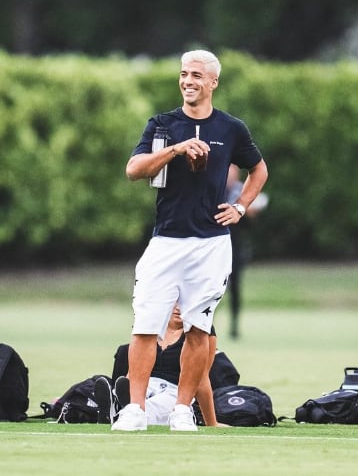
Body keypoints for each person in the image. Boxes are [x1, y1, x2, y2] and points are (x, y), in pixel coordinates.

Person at [114, 49, 268, 432]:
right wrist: (175, 150)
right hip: (166, 239)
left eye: (197, 75)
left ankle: (183, 410)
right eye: (184, 74)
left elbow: (259, 169)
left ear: (213, 82)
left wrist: (241, 206)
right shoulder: (162, 124)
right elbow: (134, 170)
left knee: (199, 328)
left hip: (212, 242)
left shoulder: (231, 128)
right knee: (146, 324)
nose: (188, 81)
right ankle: (135, 410)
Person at [105, 306, 228, 427]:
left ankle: (120, 411)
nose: (178, 308)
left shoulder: (201, 329)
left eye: (183, 301)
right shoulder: (150, 324)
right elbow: (134, 371)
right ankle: (121, 405)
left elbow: (202, 379)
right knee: (135, 398)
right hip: (148, 386)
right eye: (175, 301)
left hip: (174, 391)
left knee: (158, 405)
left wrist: (211, 423)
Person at [223, 165, 266, 339]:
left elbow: (251, 224)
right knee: (210, 289)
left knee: (235, 290)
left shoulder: (242, 191)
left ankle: (234, 326)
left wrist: (247, 213)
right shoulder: (214, 189)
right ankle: (205, 325)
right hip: (212, 247)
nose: (231, 173)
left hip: (234, 248)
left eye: (234, 170)